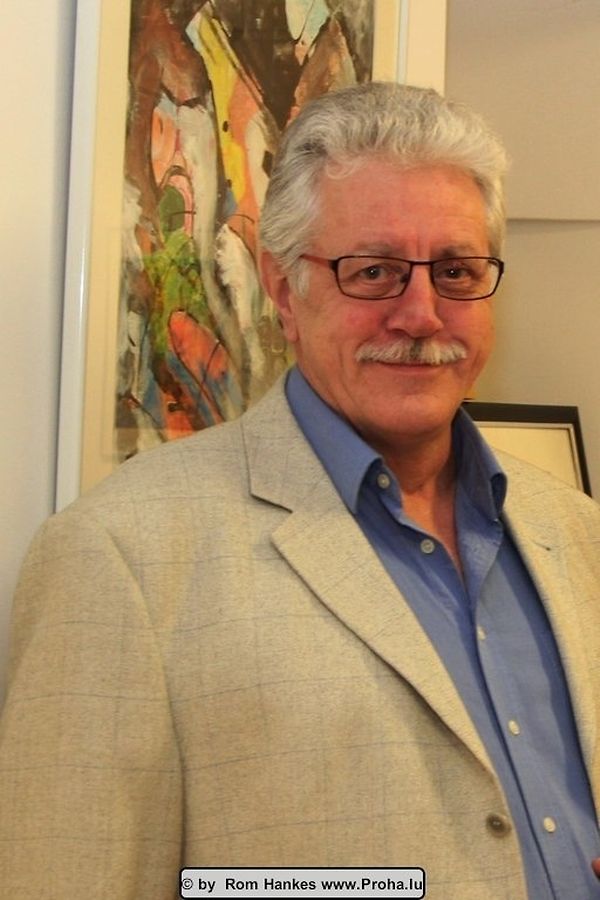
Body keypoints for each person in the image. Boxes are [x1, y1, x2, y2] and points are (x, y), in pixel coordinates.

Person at [1, 82, 600, 900]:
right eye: (375, 272)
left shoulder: (575, 530)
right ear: (284, 292)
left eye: (456, 271)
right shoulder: (121, 559)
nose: (422, 314)